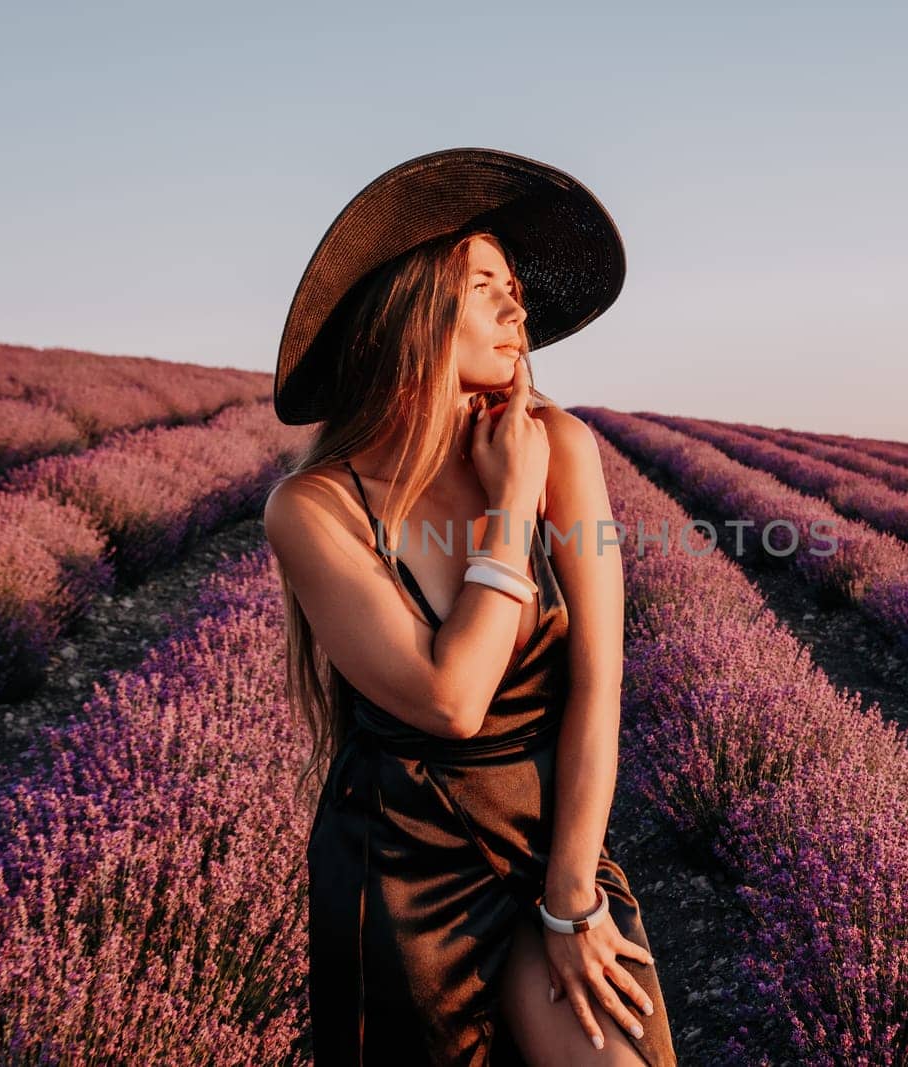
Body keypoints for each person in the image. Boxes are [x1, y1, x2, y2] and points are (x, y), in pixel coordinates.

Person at [262, 148, 677, 1065]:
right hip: (402, 870)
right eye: (485, 282)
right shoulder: (315, 508)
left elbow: (600, 683)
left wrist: (572, 890)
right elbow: (454, 698)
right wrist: (507, 506)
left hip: (547, 842)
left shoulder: (561, 445)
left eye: (515, 285)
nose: (516, 303)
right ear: (412, 306)